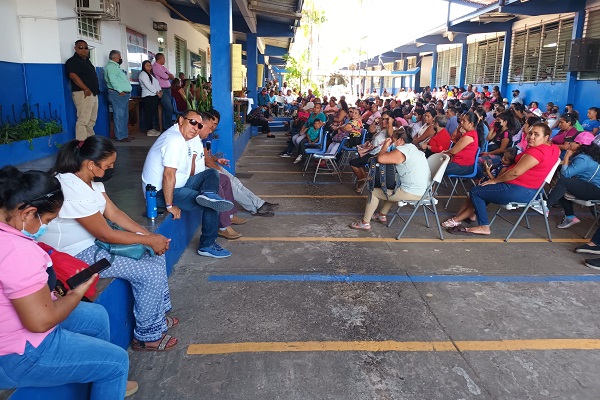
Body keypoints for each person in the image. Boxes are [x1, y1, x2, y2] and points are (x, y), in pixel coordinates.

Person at [0, 167, 136, 399]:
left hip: (16, 333)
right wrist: (76, 293)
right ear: (27, 213)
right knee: (117, 361)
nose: (47, 227)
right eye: (48, 220)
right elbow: (40, 322)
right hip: (18, 355)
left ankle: (101, 379)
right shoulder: (17, 251)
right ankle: (109, 374)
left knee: (96, 316)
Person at [42, 136, 178, 352]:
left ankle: (158, 316)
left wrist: (148, 236)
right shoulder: (70, 187)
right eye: (108, 165)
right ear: (91, 164)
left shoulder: (92, 180)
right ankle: (146, 335)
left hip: (93, 244)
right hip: (75, 254)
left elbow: (114, 213)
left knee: (154, 253)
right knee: (148, 271)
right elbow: (105, 234)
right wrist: (149, 239)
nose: (112, 168)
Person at [142, 109, 234, 258]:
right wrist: (169, 205)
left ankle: (209, 194)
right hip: (159, 194)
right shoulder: (174, 140)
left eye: (199, 125)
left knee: (211, 173)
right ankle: (206, 245)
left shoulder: (183, 138)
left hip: (179, 186)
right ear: (180, 120)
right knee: (212, 204)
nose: (195, 128)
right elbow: (168, 174)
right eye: (192, 122)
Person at [449, 123, 559, 235]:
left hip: (517, 189)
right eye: (530, 133)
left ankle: (483, 226)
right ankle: (469, 216)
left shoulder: (536, 152)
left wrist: (495, 180)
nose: (531, 137)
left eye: (536, 134)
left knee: (476, 191)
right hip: (532, 191)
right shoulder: (554, 149)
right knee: (484, 188)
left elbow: (515, 173)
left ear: (546, 137)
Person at [193, 110, 279, 217]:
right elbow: (205, 159)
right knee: (231, 184)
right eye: (211, 125)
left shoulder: (206, 135)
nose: (212, 129)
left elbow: (208, 154)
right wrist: (218, 169)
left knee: (235, 181)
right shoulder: (197, 136)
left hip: (208, 166)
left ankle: (259, 204)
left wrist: (217, 160)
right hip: (203, 170)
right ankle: (255, 208)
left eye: (215, 125)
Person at [349, 128, 430, 230]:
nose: (393, 142)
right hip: (424, 191)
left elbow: (381, 159)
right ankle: (382, 215)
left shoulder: (403, 150)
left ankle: (365, 223)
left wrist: (386, 145)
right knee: (392, 187)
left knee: (374, 192)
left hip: (413, 192)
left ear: (400, 140)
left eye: (394, 140)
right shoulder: (413, 149)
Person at [442, 147, 518, 228]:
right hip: (486, 182)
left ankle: (457, 219)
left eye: (506, 159)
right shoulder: (501, 164)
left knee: (474, 203)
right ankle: (459, 216)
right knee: (469, 198)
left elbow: (495, 180)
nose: (503, 159)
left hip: (490, 186)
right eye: (503, 157)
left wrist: (488, 171)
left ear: (510, 162)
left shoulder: (505, 168)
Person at [546, 132, 600, 229]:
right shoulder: (588, 156)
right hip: (591, 187)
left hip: (595, 190)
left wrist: (566, 156)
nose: (570, 144)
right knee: (560, 188)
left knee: (563, 182)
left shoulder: (583, 159)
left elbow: (565, 174)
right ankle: (570, 216)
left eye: (573, 142)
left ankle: (546, 206)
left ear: (580, 145)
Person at [65, 40, 99, 140]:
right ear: (75, 48)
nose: (84, 50)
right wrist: (85, 89)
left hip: (93, 93)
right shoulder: (72, 61)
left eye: (85, 48)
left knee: (91, 121)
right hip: (83, 93)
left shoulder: (87, 61)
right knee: (83, 120)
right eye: (80, 47)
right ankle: (81, 144)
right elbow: (73, 76)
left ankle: (90, 143)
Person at [104, 50, 133, 142]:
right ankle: (120, 136)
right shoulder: (111, 67)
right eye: (119, 57)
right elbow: (113, 80)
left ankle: (124, 134)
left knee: (124, 116)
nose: (121, 59)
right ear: (115, 58)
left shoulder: (116, 67)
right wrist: (119, 91)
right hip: (117, 94)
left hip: (123, 95)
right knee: (119, 115)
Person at [444, 111, 480, 176]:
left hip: (464, 166)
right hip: (460, 163)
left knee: (438, 168)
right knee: (437, 166)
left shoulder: (469, 136)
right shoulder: (470, 133)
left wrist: (443, 152)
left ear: (471, 124)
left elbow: (453, 151)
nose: (461, 122)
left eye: (464, 121)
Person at [138, 60, 162, 137]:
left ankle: (152, 129)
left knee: (152, 113)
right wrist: (157, 92)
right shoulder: (143, 74)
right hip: (148, 96)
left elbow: (156, 84)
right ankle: (149, 130)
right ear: (143, 66)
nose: (149, 67)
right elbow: (148, 85)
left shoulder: (151, 75)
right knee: (148, 113)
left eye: (150, 65)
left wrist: (160, 91)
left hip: (154, 96)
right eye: (147, 65)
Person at [152, 53, 175, 132]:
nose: (164, 60)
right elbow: (166, 76)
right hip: (162, 90)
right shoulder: (155, 67)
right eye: (164, 58)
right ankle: (168, 126)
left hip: (168, 89)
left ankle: (166, 126)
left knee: (167, 109)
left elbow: (172, 75)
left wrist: (168, 75)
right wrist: (168, 75)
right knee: (168, 108)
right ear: (160, 59)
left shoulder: (162, 67)